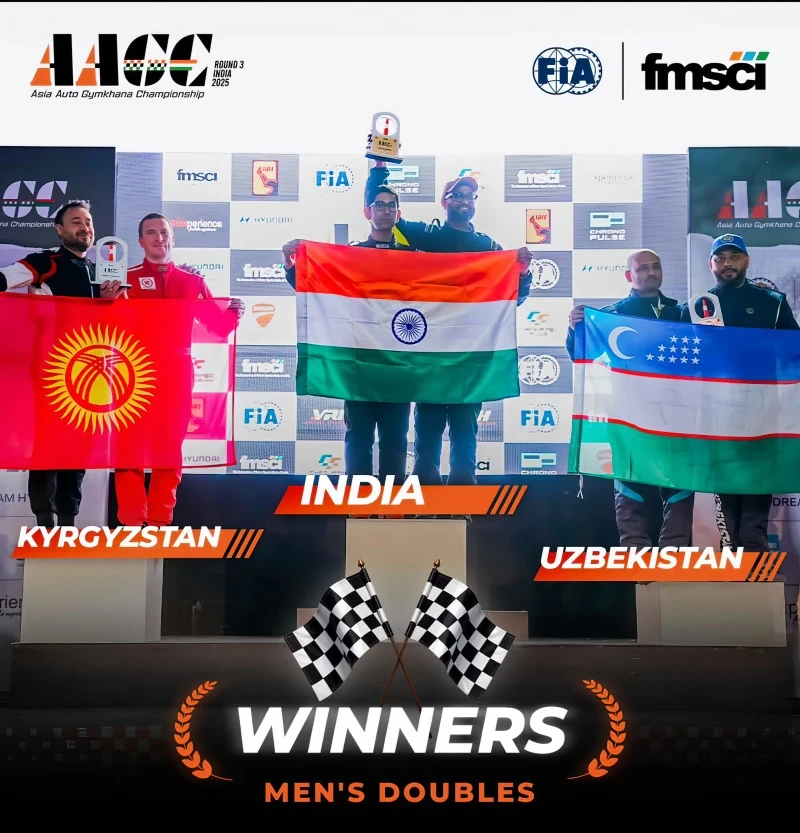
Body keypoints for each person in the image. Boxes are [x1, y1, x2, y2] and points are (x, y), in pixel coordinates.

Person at [365, 163, 533, 487]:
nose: (465, 200)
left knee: (465, 434)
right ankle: (425, 498)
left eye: (470, 195)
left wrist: (523, 274)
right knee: (426, 436)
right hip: (429, 357)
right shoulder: (423, 235)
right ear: (445, 202)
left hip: (469, 357)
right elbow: (382, 211)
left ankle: (462, 499)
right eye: (458, 195)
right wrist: (379, 170)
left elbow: (512, 299)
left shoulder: (489, 248)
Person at [110, 213, 244, 526]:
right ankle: (131, 520)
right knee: (128, 447)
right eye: (151, 232)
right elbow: (104, 324)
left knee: (169, 448)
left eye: (164, 232)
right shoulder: (124, 280)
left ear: (173, 238)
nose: (159, 238)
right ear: (141, 241)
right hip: (134, 371)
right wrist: (105, 300)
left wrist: (235, 312)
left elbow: (218, 327)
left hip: (176, 371)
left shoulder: (193, 282)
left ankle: (160, 521)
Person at [281, 183, 414, 481]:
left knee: (396, 439)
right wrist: (291, 266)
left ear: (398, 214)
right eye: (379, 205)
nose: (385, 210)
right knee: (358, 436)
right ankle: (358, 501)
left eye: (391, 206)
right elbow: (315, 288)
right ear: (368, 212)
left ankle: (394, 503)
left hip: (398, 367)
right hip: (359, 365)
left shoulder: (414, 257)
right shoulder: (350, 255)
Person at [0, 200, 120, 527]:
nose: (84, 227)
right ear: (59, 229)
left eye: (88, 221)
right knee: (48, 445)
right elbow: (4, 279)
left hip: (90, 373)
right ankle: (45, 523)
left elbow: (113, 326)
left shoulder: (101, 272)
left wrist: (109, 304)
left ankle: (68, 523)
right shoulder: (45, 262)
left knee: (78, 447)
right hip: (50, 370)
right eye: (76, 221)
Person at [567, 249, 694, 548]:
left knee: (681, 481)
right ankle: (634, 549)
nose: (651, 272)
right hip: (628, 415)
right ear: (629, 275)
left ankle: (674, 551)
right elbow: (582, 355)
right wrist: (574, 330)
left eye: (656, 266)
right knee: (629, 479)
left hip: (677, 414)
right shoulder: (611, 316)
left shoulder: (683, 314)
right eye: (643, 268)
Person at [680, 234, 799, 552]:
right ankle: (733, 555)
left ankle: (755, 558)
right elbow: (667, 347)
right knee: (727, 496)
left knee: (758, 489)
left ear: (747, 260)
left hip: (762, 415)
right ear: (710, 265)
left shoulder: (772, 303)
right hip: (718, 417)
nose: (727, 263)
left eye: (734, 256)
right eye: (720, 258)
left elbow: (794, 351)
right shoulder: (697, 306)